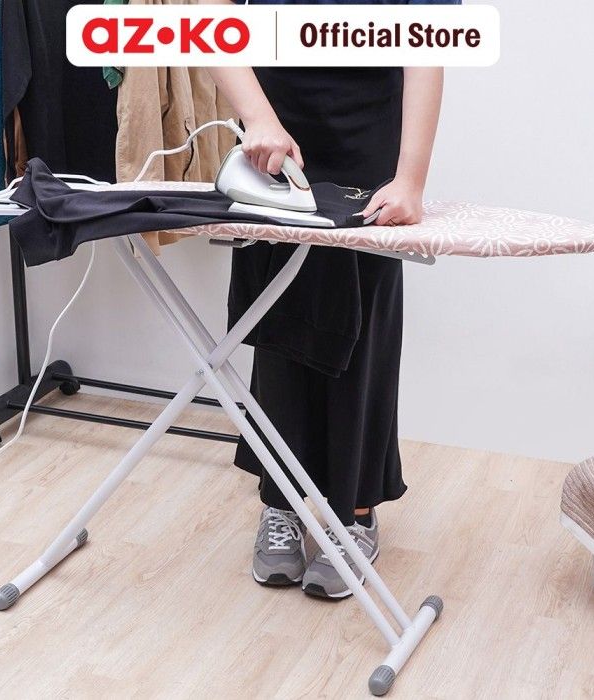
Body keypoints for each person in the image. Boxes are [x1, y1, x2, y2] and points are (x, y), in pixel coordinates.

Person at [206, 0, 459, 599]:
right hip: (273, 128)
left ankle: (356, 509)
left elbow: (427, 44)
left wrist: (411, 178)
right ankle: (281, 501)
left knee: (361, 324)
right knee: (276, 320)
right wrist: (258, 119)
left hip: (369, 132)